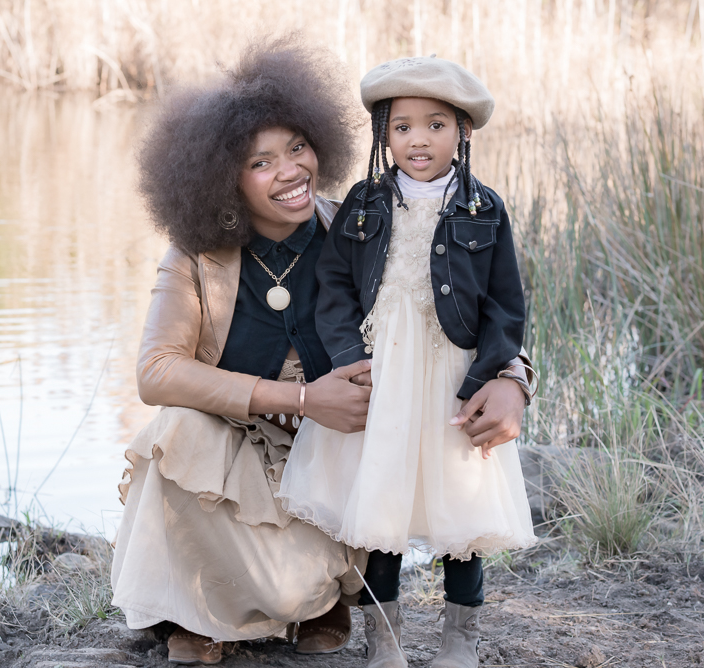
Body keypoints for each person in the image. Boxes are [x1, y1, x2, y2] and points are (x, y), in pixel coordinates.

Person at [110, 42, 374, 666]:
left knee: (291, 591)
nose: (290, 171)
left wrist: (511, 377)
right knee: (174, 429)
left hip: (329, 461)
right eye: (261, 162)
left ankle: (328, 592)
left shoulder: (358, 233)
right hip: (237, 453)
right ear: (222, 180)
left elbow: (446, 311)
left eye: (297, 148)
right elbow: (155, 372)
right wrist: (301, 397)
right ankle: (192, 613)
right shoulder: (194, 257)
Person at [277, 55, 538, 668]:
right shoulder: (364, 203)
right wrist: (348, 358)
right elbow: (334, 288)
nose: (418, 139)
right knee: (382, 506)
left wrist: (490, 374)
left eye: (436, 125)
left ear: (463, 132)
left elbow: (507, 304)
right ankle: (385, 639)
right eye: (402, 127)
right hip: (382, 370)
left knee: (460, 511)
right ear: (383, 135)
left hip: (452, 369)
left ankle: (460, 639)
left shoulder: (485, 209)